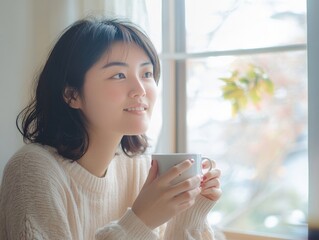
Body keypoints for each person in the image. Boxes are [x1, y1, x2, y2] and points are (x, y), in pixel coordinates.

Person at [0, 17, 222, 240]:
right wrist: (139, 221)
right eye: (119, 75)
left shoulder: (138, 167)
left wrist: (189, 214)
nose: (140, 89)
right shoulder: (32, 170)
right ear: (72, 94)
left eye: (146, 74)